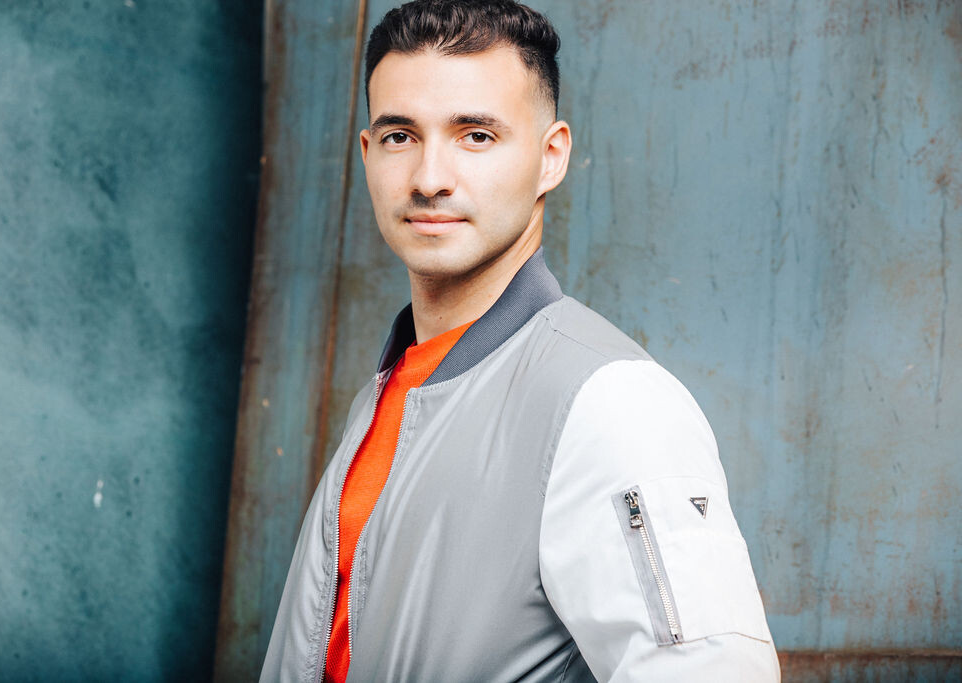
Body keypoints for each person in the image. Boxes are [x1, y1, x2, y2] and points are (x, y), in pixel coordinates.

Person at [260, 1, 780, 681]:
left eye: (475, 135)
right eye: (400, 136)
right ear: (367, 154)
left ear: (550, 156)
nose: (429, 178)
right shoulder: (389, 393)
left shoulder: (610, 403)